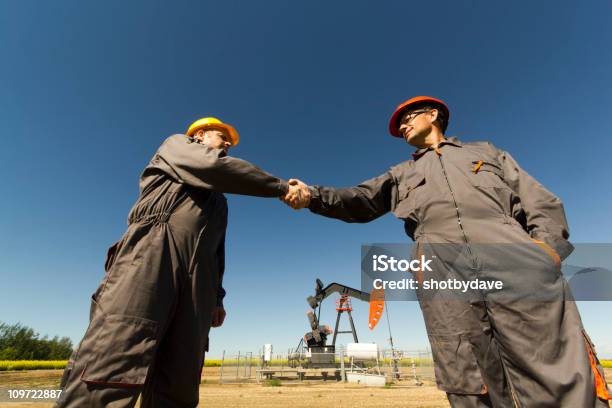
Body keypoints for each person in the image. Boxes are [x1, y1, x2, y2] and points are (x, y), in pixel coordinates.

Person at [283, 96, 610, 407]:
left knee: (552, 360)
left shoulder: (487, 153)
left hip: (514, 258)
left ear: (433, 115)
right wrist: (313, 196)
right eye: (399, 128)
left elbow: (539, 201)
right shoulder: (401, 174)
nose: (401, 129)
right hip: (442, 271)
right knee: (466, 370)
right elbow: (359, 199)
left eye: (407, 119)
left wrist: (546, 252)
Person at [56, 117, 305, 408]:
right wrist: (280, 187)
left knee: (180, 375)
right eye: (222, 136)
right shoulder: (175, 146)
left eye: (229, 141)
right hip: (150, 256)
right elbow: (213, 166)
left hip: (200, 281)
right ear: (199, 135)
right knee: (116, 352)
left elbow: (216, 252)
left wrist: (217, 298)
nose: (227, 144)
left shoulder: (219, 201)